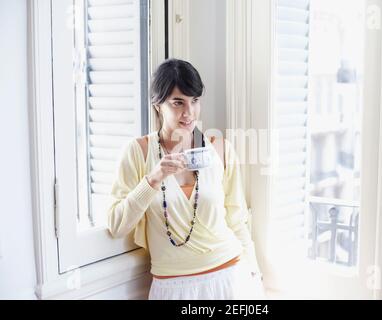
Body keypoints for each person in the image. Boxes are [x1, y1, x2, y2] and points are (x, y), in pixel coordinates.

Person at [107, 58, 265, 300]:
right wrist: (153, 179)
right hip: (171, 286)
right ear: (158, 104)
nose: (189, 113)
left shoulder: (219, 149)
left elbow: (237, 220)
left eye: (194, 101)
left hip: (230, 275)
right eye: (178, 102)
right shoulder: (138, 152)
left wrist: (254, 273)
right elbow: (117, 226)